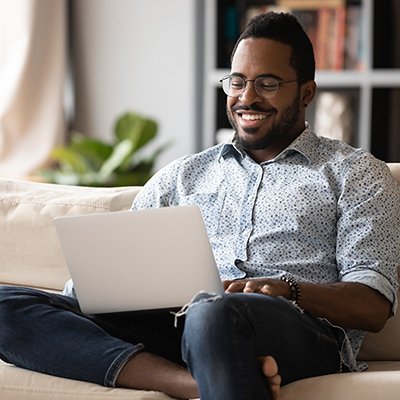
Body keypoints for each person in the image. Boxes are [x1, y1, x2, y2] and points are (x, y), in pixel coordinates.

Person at [1, 11, 400, 400]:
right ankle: (192, 383)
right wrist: (93, 290)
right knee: (6, 304)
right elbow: (93, 286)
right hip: (175, 327)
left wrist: (287, 290)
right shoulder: (182, 176)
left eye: (267, 83)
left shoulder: (355, 173)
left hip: (295, 330)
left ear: (306, 92)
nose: (247, 97)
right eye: (238, 82)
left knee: (214, 311)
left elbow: (372, 305)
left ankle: (212, 364)